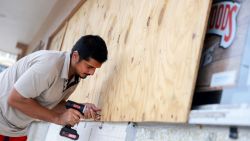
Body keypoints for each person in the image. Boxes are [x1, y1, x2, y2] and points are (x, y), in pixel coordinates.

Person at [0, 35, 108, 140]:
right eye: (89, 66)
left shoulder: (75, 75)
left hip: (14, 130)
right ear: (75, 56)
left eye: (95, 69)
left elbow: (51, 103)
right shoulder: (49, 66)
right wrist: (59, 118)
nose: (92, 72)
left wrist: (79, 108)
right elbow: (16, 99)